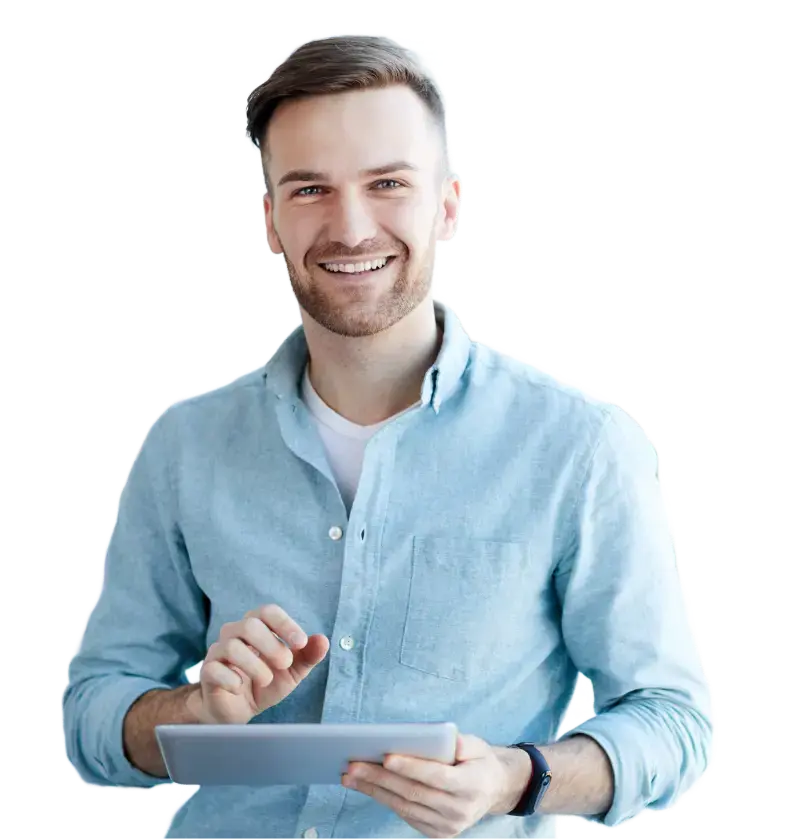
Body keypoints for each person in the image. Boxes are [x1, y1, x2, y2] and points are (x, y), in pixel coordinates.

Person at [62, 33, 715, 838]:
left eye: (387, 184)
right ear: (269, 218)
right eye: (309, 190)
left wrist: (517, 777)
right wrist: (196, 711)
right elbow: (92, 719)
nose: (350, 226)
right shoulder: (183, 446)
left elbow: (676, 724)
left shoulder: (579, 446)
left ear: (447, 205)